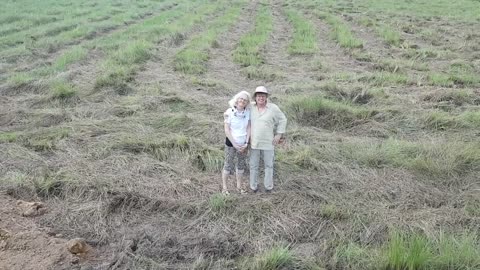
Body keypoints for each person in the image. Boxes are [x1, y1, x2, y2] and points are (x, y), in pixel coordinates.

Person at [249, 86, 287, 193]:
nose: (261, 97)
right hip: (254, 142)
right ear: (255, 97)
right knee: (253, 165)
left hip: (268, 142)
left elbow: (283, 119)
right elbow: (237, 104)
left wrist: (279, 134)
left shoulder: (273, 108)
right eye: (258, 95)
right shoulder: (250, 107)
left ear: (266, 97)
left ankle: (268, 186)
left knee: (269, 165)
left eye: (263, 95)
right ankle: (253, 186)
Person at [222, 91, 251, 194]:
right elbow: (227, 130)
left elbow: (248, 127)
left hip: (243, 144)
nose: (242, 101)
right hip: (231, 143)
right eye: (241, 98)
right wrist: (234, 144)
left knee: (241, 165)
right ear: (236, 99)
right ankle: (225, 188)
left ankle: (239, 187)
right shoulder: (229, 112)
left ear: (247, 102)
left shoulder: (247, 112)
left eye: (245, 100)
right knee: (228, 164)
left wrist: (246, 143)